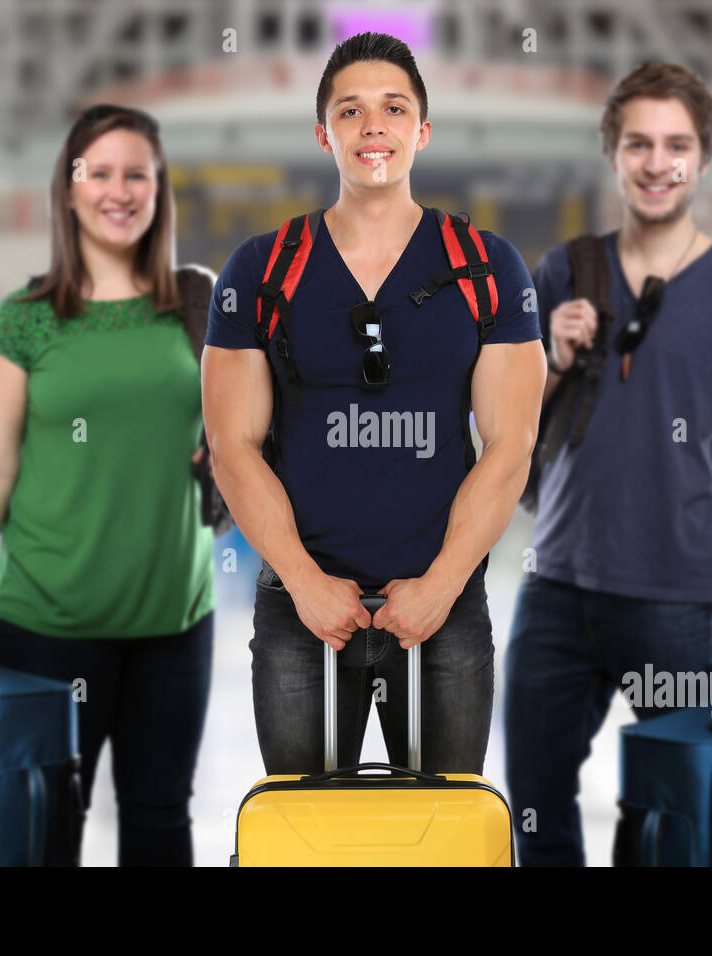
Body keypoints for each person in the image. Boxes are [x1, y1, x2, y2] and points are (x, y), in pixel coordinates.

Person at [202, 32, 545, 775]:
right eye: (350, 111)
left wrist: (443, 583)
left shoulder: (486, 266)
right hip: (301, 612)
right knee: (304, 842)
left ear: (422, 131)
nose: (373, 127)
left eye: (394, 108)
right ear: (324, 135)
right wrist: (302, 581)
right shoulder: (262, 270)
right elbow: (233, 445)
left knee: (445, 839)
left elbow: (511, 445)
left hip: (441, 610)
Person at [504, 63, 712, 866]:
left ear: (701, 158)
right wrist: (551, 359)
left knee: (677, 818)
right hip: (555, 592)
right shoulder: (562, 272)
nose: (657, 162)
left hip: (674, 603)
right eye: (638, 144)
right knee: (533, 804)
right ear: (613, 154)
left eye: (676, 145)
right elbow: (498, 429)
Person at [0, 104, 215, 867]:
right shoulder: (25, 320)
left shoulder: (196, 305)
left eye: (137, 176)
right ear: (68, 189)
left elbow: (252, 426)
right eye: (100, 173)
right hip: (49, 626)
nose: (119, 192)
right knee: (44, 829)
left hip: (175, 621)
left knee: (160, 822)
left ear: (159, 191)